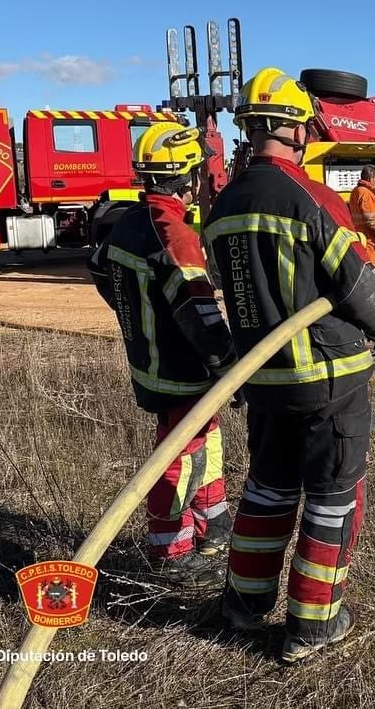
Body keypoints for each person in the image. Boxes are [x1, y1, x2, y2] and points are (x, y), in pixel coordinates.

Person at [205, 67, 375, 663]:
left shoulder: (223, 206)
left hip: (263, 381)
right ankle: (313, 624)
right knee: (331, 497)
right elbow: (354, 283)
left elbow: (234, 285)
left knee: (268, 492)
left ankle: (244, 607)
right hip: (329, 378)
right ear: (297, 127)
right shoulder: (308, 198)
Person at [88, 122, 237, 586]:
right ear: (190, 177)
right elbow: (200, 314)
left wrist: (135, 311)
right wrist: (230, 366)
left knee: (205, 439)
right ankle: (170, 550)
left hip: (147, 362)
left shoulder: (128, 223)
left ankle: (212, 518)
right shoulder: (173, 232)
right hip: (180, 369)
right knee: (181, 454)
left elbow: (99, 270)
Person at [348, 164, 375, 268]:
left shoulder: (356, 191)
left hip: (360, 236)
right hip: (369, 238)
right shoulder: (366, 194)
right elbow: (372, 219)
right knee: (371, 267)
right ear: (370, 178)